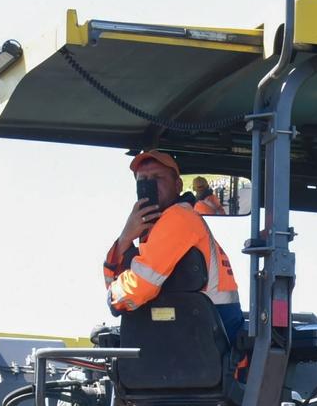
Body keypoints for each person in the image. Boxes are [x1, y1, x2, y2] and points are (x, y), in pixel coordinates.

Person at [105, 149, 246, 351]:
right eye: (142, 180)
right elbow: (126, 284)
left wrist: (112, 298)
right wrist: (125, 238)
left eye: (157, 178)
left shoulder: (178, 218)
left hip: (210, 339)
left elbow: (139, 288)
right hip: (196, 336)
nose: (149, 185)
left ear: (178, 185)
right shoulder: (155, 226)